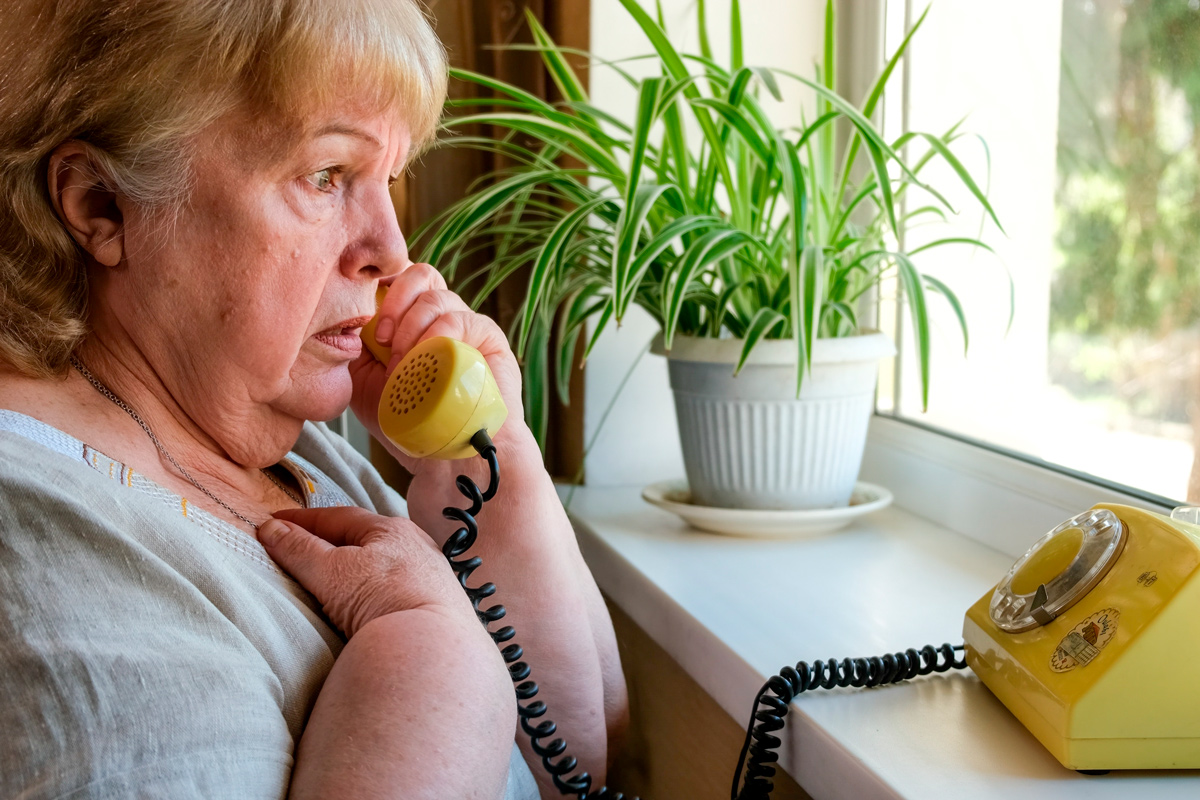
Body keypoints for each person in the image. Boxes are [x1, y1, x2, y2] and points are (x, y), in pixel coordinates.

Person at [0, 1, 627, 798]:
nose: (391, 251)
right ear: (102, 203)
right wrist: (434, 653)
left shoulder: (287, 443)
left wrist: (488, 461)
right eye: (326, 176)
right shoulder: (43, 537)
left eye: (389, 180)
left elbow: (580, 758)